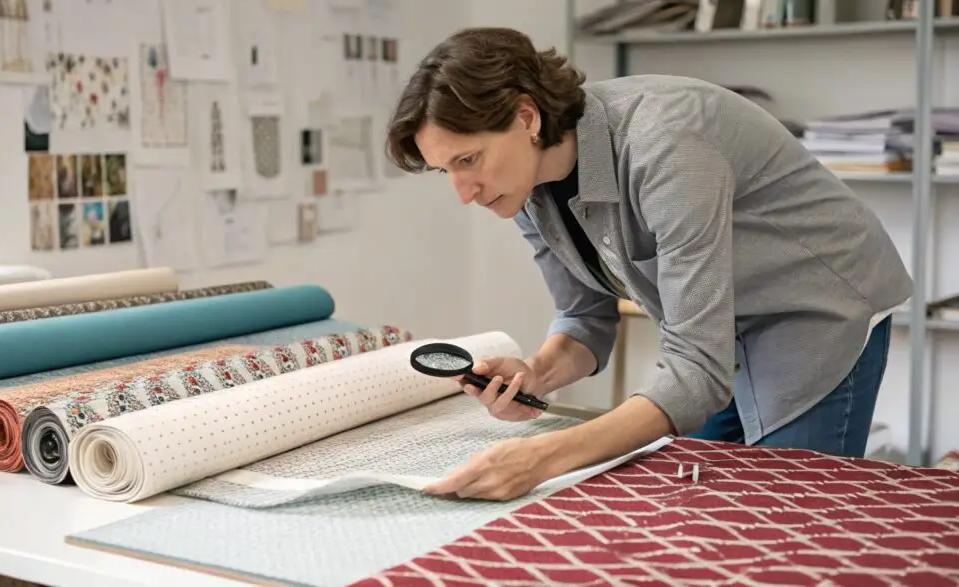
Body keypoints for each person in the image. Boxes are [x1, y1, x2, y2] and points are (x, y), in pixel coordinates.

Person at [383, 27, 913, 502]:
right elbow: (586, 317)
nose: (463, 192)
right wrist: (535, 376)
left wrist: (542, 458)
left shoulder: (665, 145)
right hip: (720, 331)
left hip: (816, 304)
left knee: (778, 510)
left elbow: (696, 371)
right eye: (445, 170)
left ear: (526, 117)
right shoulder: (523, 188)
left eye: (468, 160)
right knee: (686, 494)